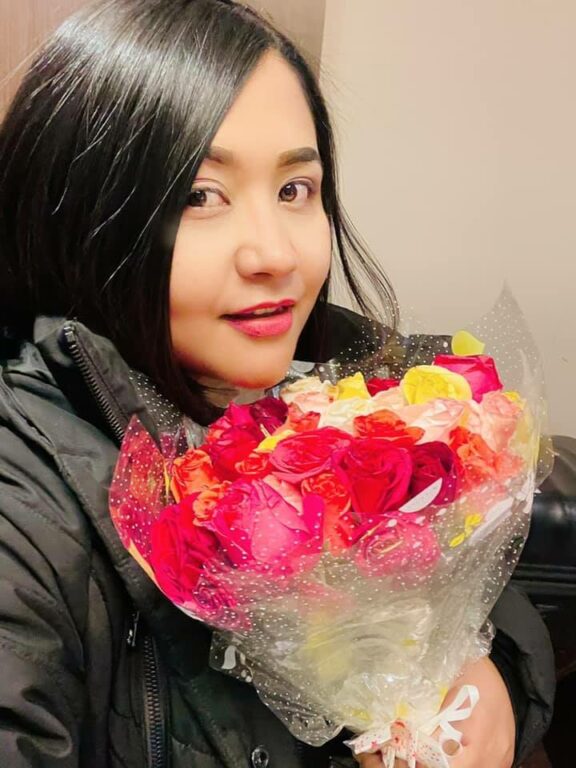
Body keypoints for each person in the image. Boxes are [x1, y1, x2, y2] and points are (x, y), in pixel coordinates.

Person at [0, 1, 555, 766]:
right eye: (200, 196)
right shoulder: (23, 503)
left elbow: (484, 584)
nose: (275, 254)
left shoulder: (354, 385)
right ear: (79, 213)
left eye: (295, 189)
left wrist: (491, 672)